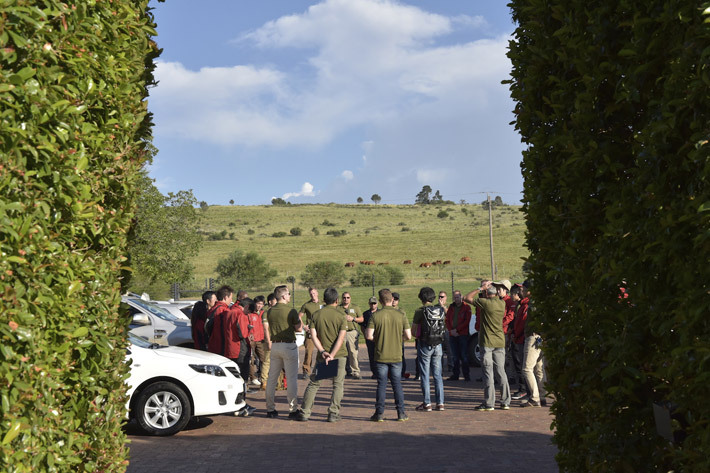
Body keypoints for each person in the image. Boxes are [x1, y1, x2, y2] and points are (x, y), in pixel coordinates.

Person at [296, 287, 348, 422]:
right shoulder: (341, 315)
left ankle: (305, 412)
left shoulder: (316, 314)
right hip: (339, 354)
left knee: (314, 384)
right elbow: (341, 338)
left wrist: (323, 351)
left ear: (324, 300)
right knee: (337, 385)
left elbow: (313, 335)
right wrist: (332, 354)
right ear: (337, 300)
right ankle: (333, 413)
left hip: (322, 355)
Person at [207, 286, 255, 417]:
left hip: (222, 348)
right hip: (229, 348)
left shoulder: (216, 310)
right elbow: (240, 332)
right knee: (238, 378)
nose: (231, 300)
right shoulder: (223, 311)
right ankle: (239, 405)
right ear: (226, 297)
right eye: (231, 297)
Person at [365, 288, 412, 422]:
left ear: (380, 301)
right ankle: (401, 413)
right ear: (392, 300)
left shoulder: (375, 316)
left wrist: (379, 339)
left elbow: (368, 335)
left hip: (381, 355)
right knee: (397, 384)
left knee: (381, 384)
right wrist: (399, 339)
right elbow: (408, 335)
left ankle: (379, 413)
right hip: (396, 355)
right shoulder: (400, 314)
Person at [464, 281, 511, 411]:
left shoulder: (485, 303)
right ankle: (505, 401)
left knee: (488, 372)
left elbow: (466, 298)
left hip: (487, 341)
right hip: (499, 341)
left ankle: (489, 402)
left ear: (486, 293)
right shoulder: (502, 303)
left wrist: (480, 288)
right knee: (501, 371)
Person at [264, 285, 302, 418]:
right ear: (284, 296)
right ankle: (293, 409)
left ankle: (270, 409)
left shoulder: (270, 311)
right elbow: (298, 328)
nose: (290, 296)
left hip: (275, 346)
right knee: (291, 379)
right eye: (289, 294)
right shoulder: (291, 310)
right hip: (288, 345)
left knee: (272, 378)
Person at [412, 287, 445, 412]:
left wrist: (419, 336)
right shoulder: (440, 310)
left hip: (425, 344)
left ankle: (427, 403)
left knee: (425, 374)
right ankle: (440, 403)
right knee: (438, 375)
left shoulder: (420, 311)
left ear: (421, 298)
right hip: (438, 344)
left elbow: (414, 330)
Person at [520, 280, 547, 407]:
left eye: (524, 289)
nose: (522, 291)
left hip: (534, 336)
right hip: (540, 336)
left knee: (526, 368)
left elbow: (539, 319)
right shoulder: (540, 301)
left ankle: (535, 397)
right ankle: (543, 395)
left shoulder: (534, 303)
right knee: (539, 368)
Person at [445, 290, 472, 381]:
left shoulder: (466, 307)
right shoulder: (451, 307)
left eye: (458, 297)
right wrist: (451, 330)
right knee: (454, 356)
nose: (456, 299)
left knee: (464, 355)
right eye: (455, 297)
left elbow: (467, 321)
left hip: (462, 334)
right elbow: (447, 319)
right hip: (452, 334)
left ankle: (466, 375)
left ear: (461, 297)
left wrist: (457, 330)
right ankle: (455, 374)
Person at [509, 285, 529, 399]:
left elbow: (522, 323)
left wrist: (516, 335)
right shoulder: (519, 305)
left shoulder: (524, 305)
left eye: (512, 294)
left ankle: (524, 389)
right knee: (517, 363)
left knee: (521, 364)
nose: (511, 296)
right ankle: (522, 388)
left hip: (520, 339)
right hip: (517, 337)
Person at [298, 288, 322, 376]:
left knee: (323, 351)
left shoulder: (323, 304)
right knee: (309, 351)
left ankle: (321, 370)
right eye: (311, 293)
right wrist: (304, 326)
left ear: (317, 293)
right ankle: (306, 370)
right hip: (311, 331)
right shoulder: (306, 305)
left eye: (314, 293)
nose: (313, 295)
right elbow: (299, 316)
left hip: (322, 331)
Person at [339, 292, 363, 380]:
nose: (346, 299)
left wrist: (353, 319)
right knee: (342, 352)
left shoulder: (355, 307)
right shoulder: (338, 308)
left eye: (348, 297)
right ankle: (343, 371)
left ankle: (355, 371)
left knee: (353, 352)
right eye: (344, 297)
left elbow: (361, 319)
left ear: (350, 298)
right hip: (341, 332)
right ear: (342, 298)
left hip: (352, 332)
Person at [248, 295, 267, 388]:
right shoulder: (250, 313)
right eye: (258, 303)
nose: (259, 305)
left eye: (261, 304)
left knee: (264, 359)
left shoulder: (264, 313)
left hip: (261, 339)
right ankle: (252, 377)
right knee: (251, 360)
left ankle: (263, 378)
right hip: (251, 340)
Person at [392, 292, 410, 379]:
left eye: (396, 299)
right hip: (389, 336)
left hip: (399, 336)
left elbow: (404, 325)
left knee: (400, 355)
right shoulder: (386, 310)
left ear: (398, 301)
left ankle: (402, 373)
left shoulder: (401, 311)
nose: (394, 301)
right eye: (392, 299)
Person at [360, 296, 379, 378]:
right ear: (369, 304)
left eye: (374, 303)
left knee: (380, 355)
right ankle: (374, 372)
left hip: (379, 338)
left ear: (377, 303)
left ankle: (381, 372)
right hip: (369, 338)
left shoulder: (381, 312)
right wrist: (365, 334)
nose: (373, 305)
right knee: (371, 355)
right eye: (371, 303)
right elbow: (362, 326)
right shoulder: (366, 314)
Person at [438, 291, 453, 373]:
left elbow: (449, 314)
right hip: (438, 331)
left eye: (442, 297)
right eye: (439, 296)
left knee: (449, 350)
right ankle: (440, 367)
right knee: (439, 350)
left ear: (446, 297)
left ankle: (450, 366)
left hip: (446, 330)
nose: (440, 298)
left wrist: (442, 306)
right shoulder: (436, 307)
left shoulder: (449, 306)